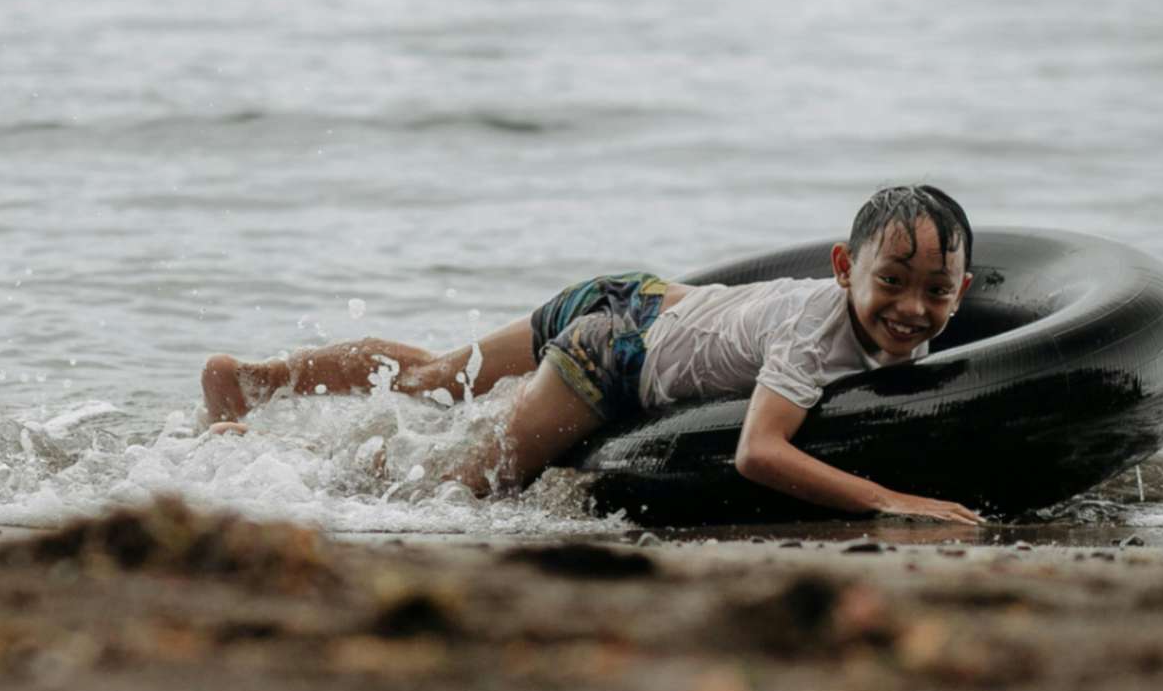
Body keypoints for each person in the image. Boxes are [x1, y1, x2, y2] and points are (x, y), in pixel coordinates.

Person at [201, 185, 983, 524]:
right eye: (890, 282)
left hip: (633, 293)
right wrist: (887, 499)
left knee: (434, 376)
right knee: (462, 486)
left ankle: (253, 378)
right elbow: (758, 452)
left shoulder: (895, 308)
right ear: (843, 268)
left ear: (965, 289)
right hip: (613, 352)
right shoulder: (814, 338)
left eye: (936, 292)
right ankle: (272, 458)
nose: (912, 309)